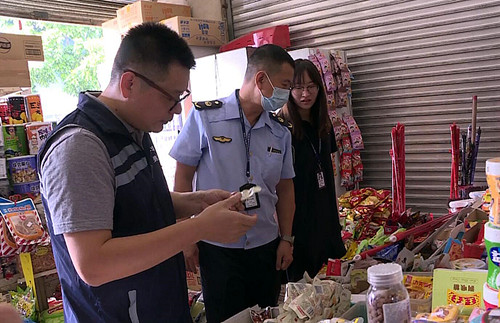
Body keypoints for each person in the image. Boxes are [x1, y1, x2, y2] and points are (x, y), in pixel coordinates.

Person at [38, 22, 257, 323]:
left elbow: (127, 203)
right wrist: (199, 228)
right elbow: (93, 264)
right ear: (129, 84)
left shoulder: (133, 129)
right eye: (172, 98)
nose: (178, 111)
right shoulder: (80, 147)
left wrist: (196, 201)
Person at [170, 44, 296, 322]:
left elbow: (286, 190)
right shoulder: (205, 117)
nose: (287, 95)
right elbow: (182, 176)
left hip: (265, 247)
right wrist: (186, 236)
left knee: (267, 317)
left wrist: (287, 238)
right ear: (261, 79)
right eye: (285, 86)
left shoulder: (280, 132)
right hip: (218, 249)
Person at [278, 59, 346, 282]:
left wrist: (336, 215)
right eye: (297, 87)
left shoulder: (324, 125)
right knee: (303, 291)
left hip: (326, 220)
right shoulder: (281, 129)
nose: (305, 94)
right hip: (299, 223)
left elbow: (329, 172)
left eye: (311, 86)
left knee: (333, 285)